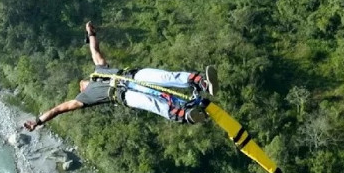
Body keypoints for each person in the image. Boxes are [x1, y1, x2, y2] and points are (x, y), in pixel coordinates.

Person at [23, 21, 217, 131]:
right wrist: (38, 121)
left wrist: (90, 33)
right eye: (80, 85)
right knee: (154, 103)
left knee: (165, 78)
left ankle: (200, 81)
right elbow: (59, 109)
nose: (81, 84)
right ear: (82, 88)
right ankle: (185, 115)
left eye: (81, 82)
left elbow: (94, 49)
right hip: (125, 95)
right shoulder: (85, 98)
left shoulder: (99, 69)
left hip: (133, 76)